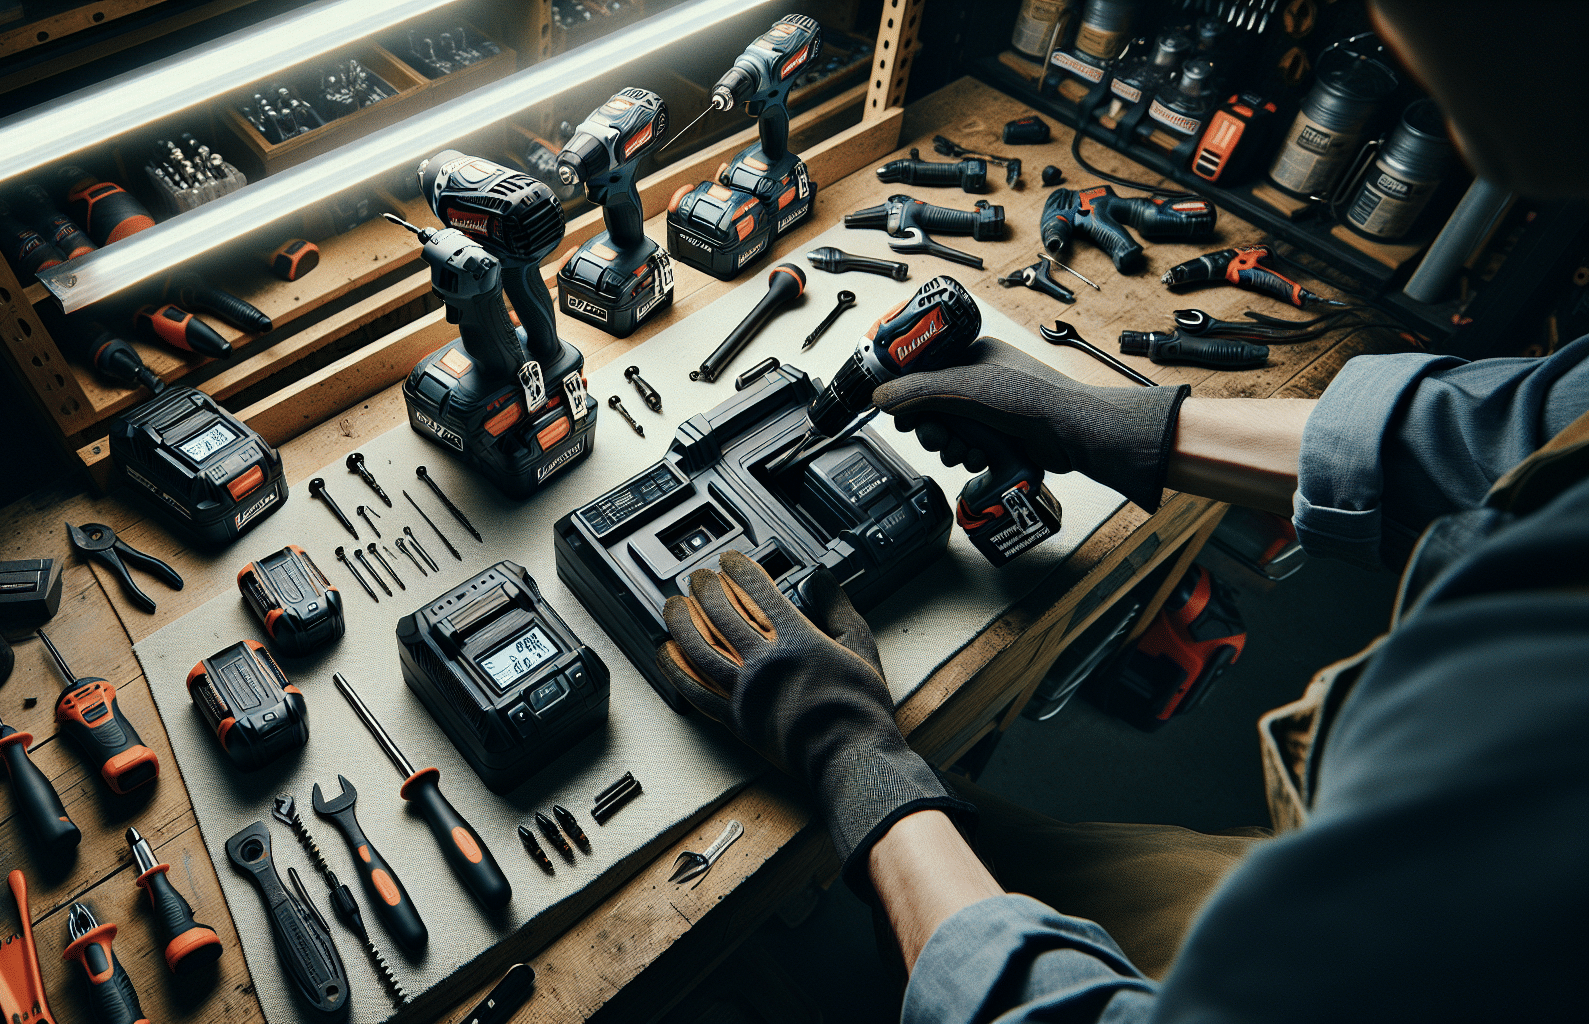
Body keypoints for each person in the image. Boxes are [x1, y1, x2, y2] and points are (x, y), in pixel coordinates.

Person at [655, 2, 1589, 1020]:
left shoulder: (1532, 705)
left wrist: (857, 765)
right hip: (1360, 867)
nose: (1382, 26)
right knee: (952, 832)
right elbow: (1511, 432)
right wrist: (1106, 425)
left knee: (849, 888)